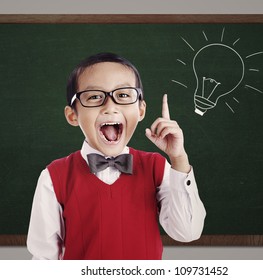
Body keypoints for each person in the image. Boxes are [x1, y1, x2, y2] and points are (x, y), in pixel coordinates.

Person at [27, 52, 206, 260]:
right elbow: (43, 259)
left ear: (140, 110)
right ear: (72, 115)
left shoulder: (157, 167)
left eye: (123, 95)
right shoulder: (53, 177)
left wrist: (179, 158)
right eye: (94, 97)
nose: (110, 107)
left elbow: (187, 232)